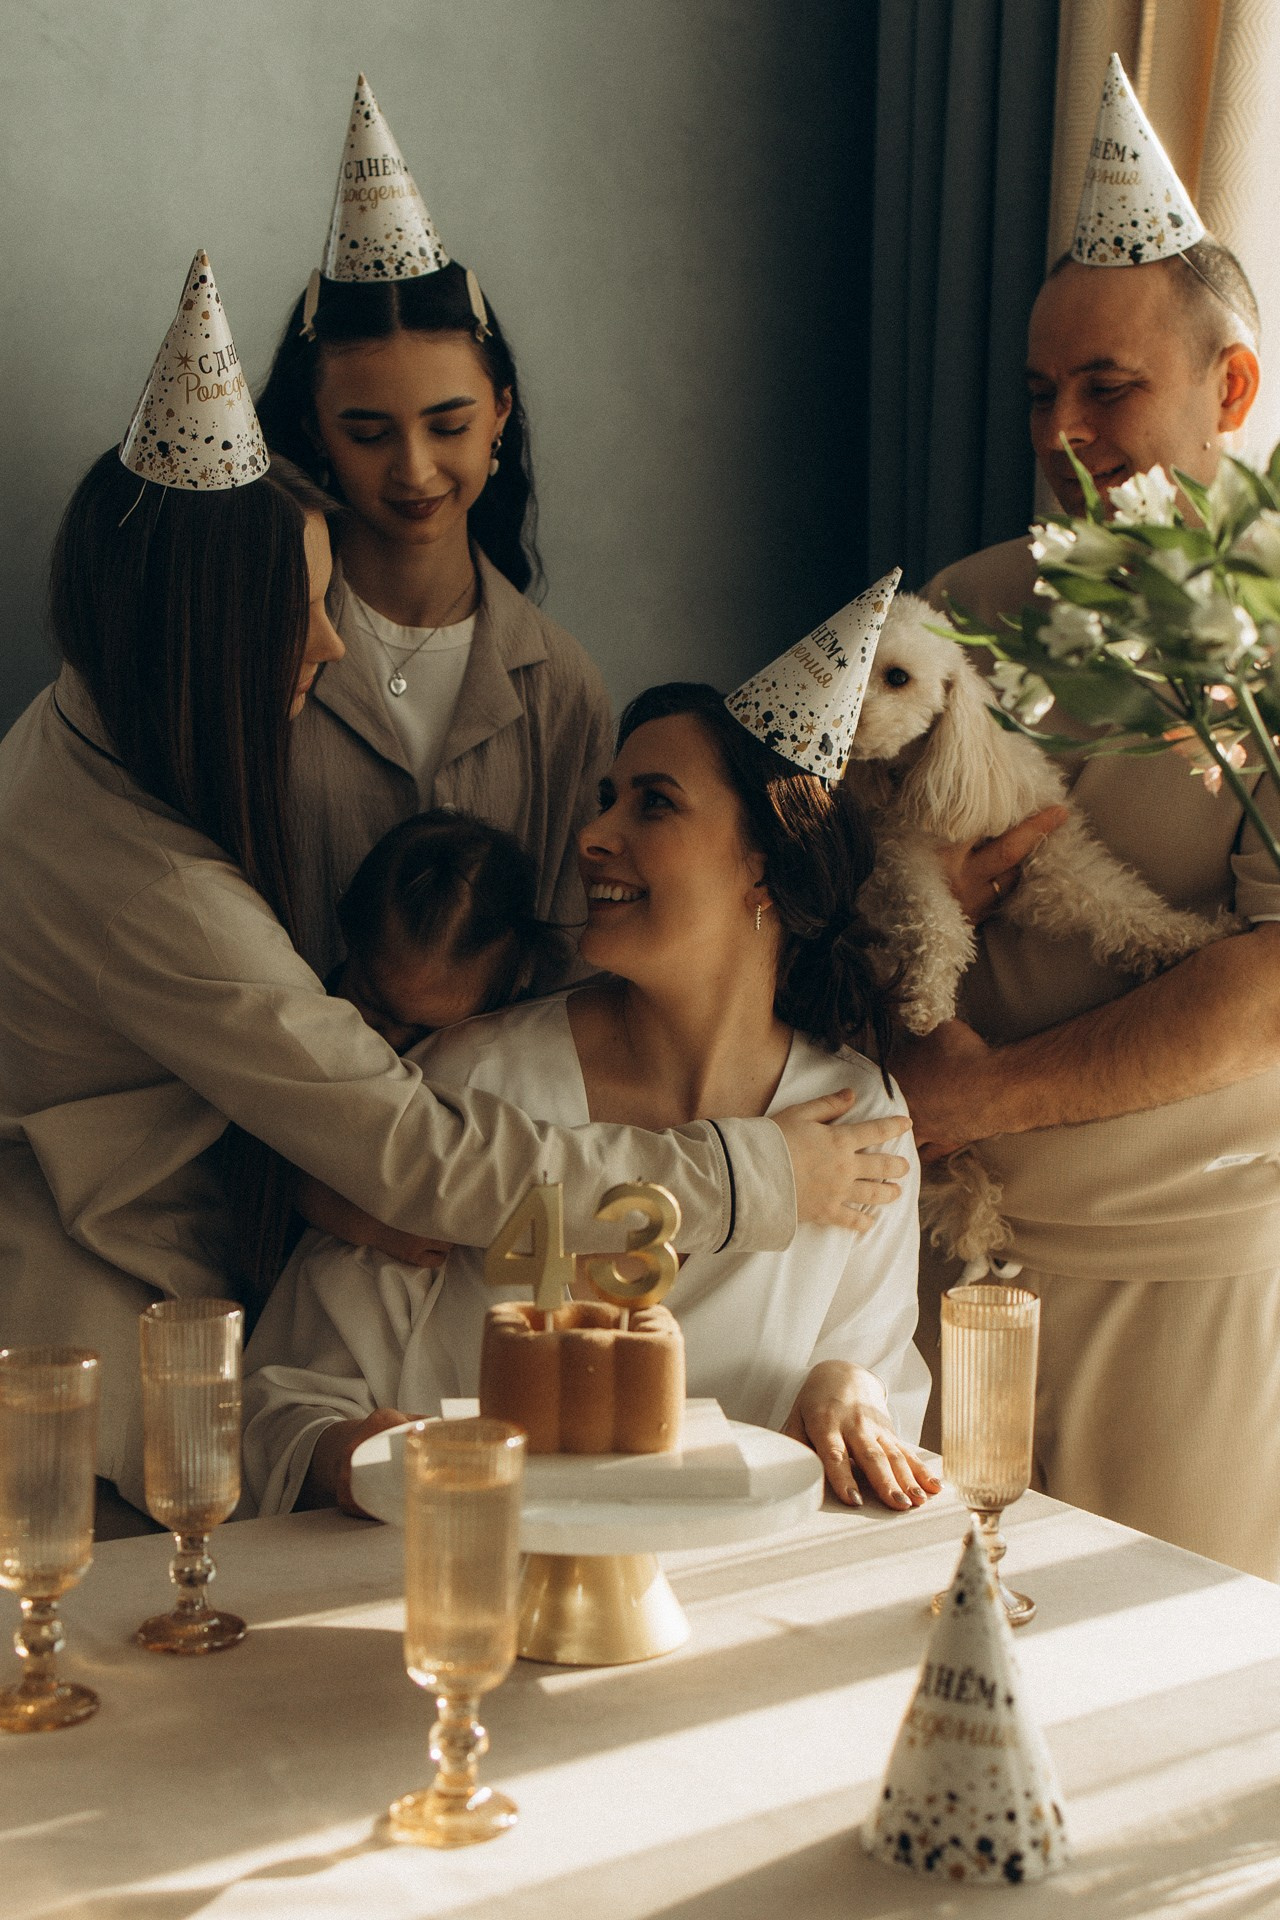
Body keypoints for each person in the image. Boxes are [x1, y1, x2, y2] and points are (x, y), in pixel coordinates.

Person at [0, 257, 911, 1525]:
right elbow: (402, 1147)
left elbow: (874, 1357)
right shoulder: (139, 875)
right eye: (304, 618)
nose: (325, 649)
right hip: (101, 1334)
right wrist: (745, 1180)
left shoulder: (857, 1108)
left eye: (646, 803)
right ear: (212, 642)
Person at [243, 595, 938, 1520]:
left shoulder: (858, 1116)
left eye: (654, 804)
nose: (593, 834)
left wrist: (848, 1388)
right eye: (606, 798)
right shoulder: (471, 1084)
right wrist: (369, 1456)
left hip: (741, 1614)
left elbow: (880, 1400)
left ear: (764, 864)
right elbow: (282, 1403)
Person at [898, 60, 1280, 1579]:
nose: (1064, 429)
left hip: (1188, 1288)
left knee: (1157, 1707)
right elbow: (860, 891)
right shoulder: (959, 612)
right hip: (945, 1267)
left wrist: (969, 1098)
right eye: (1043, 393)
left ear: (1228, 390)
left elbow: (1268, 992)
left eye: (1107, 386)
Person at [255, 76, 613, 979]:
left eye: (448, 426)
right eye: (368, 432)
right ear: (314, 436)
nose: (413, 470)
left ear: (499, 416)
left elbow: (573, 951)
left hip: (491, 1111)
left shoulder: (559, 687)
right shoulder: (256, 650)